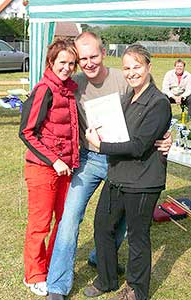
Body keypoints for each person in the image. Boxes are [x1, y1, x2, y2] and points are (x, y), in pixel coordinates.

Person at [46, 32, 172, 300]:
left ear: (103, 53)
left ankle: (108, 267)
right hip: (94, 159)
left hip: (126, 164)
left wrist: (165, 136)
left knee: (125, 224)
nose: (88, 63)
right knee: (73, 217)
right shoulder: (74, 83)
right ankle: (58, 284)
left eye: (93, 56)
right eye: (83, 59)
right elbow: (50, 105)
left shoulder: (123, 80)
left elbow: (149, 115)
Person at [84, 44, 172, 300]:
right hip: (118, 175)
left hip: (143, 181)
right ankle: (107, 278)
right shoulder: (125, 99)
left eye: (137, 67)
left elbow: (139, 146)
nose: (132, 72)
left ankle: (136, 289)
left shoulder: (158, 103)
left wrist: (101, 145)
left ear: (148, 68)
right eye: (127, 68)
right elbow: (116, 131)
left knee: (137, 236)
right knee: (102, 226)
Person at [19, 39, 79, 296]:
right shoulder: (44, 89)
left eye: (71, 63)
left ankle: (53, 267)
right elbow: (27, 132)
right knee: (40, 224)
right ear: (51, 62)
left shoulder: (70, 89)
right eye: (62, 62)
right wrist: (53, 159)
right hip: (43, 169)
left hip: (66, 169)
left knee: (63, 222)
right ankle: (33, 274)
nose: (66, 68)